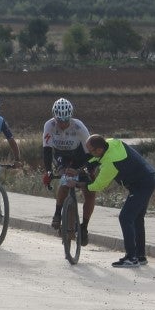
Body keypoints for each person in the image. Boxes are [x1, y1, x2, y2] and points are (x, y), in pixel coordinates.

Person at [85, 134, 155, 268]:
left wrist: (82, 186)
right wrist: (89, 163)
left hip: (142, 185)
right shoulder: (112, 142)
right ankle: (140, 256)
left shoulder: (111, 163)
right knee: (137, 218)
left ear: (99, 150)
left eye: (91, 151)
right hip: (148, 177)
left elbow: (99, 185)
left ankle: (131, 258)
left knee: (125, 218)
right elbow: (97, 159)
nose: (89, 153)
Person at [42, 97, 96, 244]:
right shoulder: (49, 125)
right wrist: (47, 171)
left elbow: (90, 155)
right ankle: (57, 213)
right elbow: (47, 151)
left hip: (81, 157)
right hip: (61, 158)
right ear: (54, 116)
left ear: (70, 116)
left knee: (90, 193)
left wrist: (81, 171)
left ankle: (84, 227)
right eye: (59, 120)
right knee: (65, 181)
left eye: (66, 120)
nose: (63, 123)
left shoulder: (79, 127)